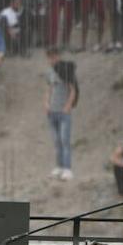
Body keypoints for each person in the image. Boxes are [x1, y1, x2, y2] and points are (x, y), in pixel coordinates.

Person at [44, 48, 78, 181]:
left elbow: (73, 89)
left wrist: (68, 105)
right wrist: (46, 103)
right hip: (52, 111)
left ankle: (67, 168)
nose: (52, 60)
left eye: (54, 57)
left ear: (58, 56)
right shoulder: (49, 73)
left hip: (63, 112)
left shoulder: (66, 70)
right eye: (49, 57)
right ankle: (58, 166)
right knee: (56, 141)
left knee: (65, 140)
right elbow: (49, 89)